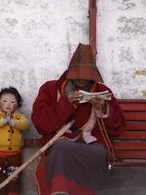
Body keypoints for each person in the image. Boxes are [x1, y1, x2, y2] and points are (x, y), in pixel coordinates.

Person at [31, 43, 126, 195]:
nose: (82, 79)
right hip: (61, 145)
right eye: (77, 75)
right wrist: (65, 104)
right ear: (70, 72)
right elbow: (40, 124)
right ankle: (61, 191)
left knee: (98, 153)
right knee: (63, 147)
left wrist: (104, 109)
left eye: (86, 77)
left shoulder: (102, 91)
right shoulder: (50, 89)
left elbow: (119, 128)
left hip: (92, 146)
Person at [0, 87, 30, 195]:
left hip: (15, 156)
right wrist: (4, 121)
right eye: (4, 101)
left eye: (13, 102)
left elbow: (26, 125)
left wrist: (13, 122)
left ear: (18, 105)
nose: (8, 104)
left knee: (13, 181)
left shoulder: (19, 117)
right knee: (1, 181)